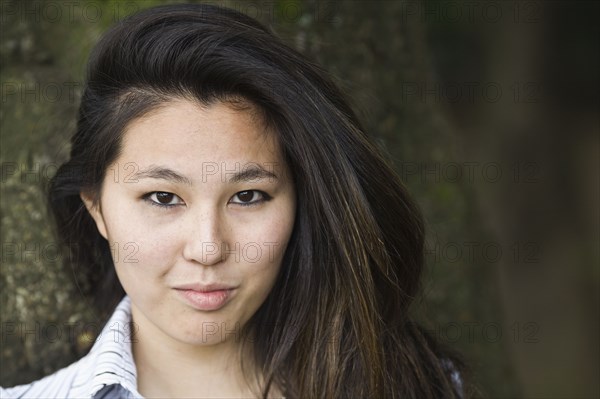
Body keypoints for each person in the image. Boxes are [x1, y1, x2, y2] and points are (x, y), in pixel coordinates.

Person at [1, 3, 467, 398]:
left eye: (247, 196)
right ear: (96, 207)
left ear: (301, 203)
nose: (208, 248)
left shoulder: (419, 384)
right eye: (163, 197)